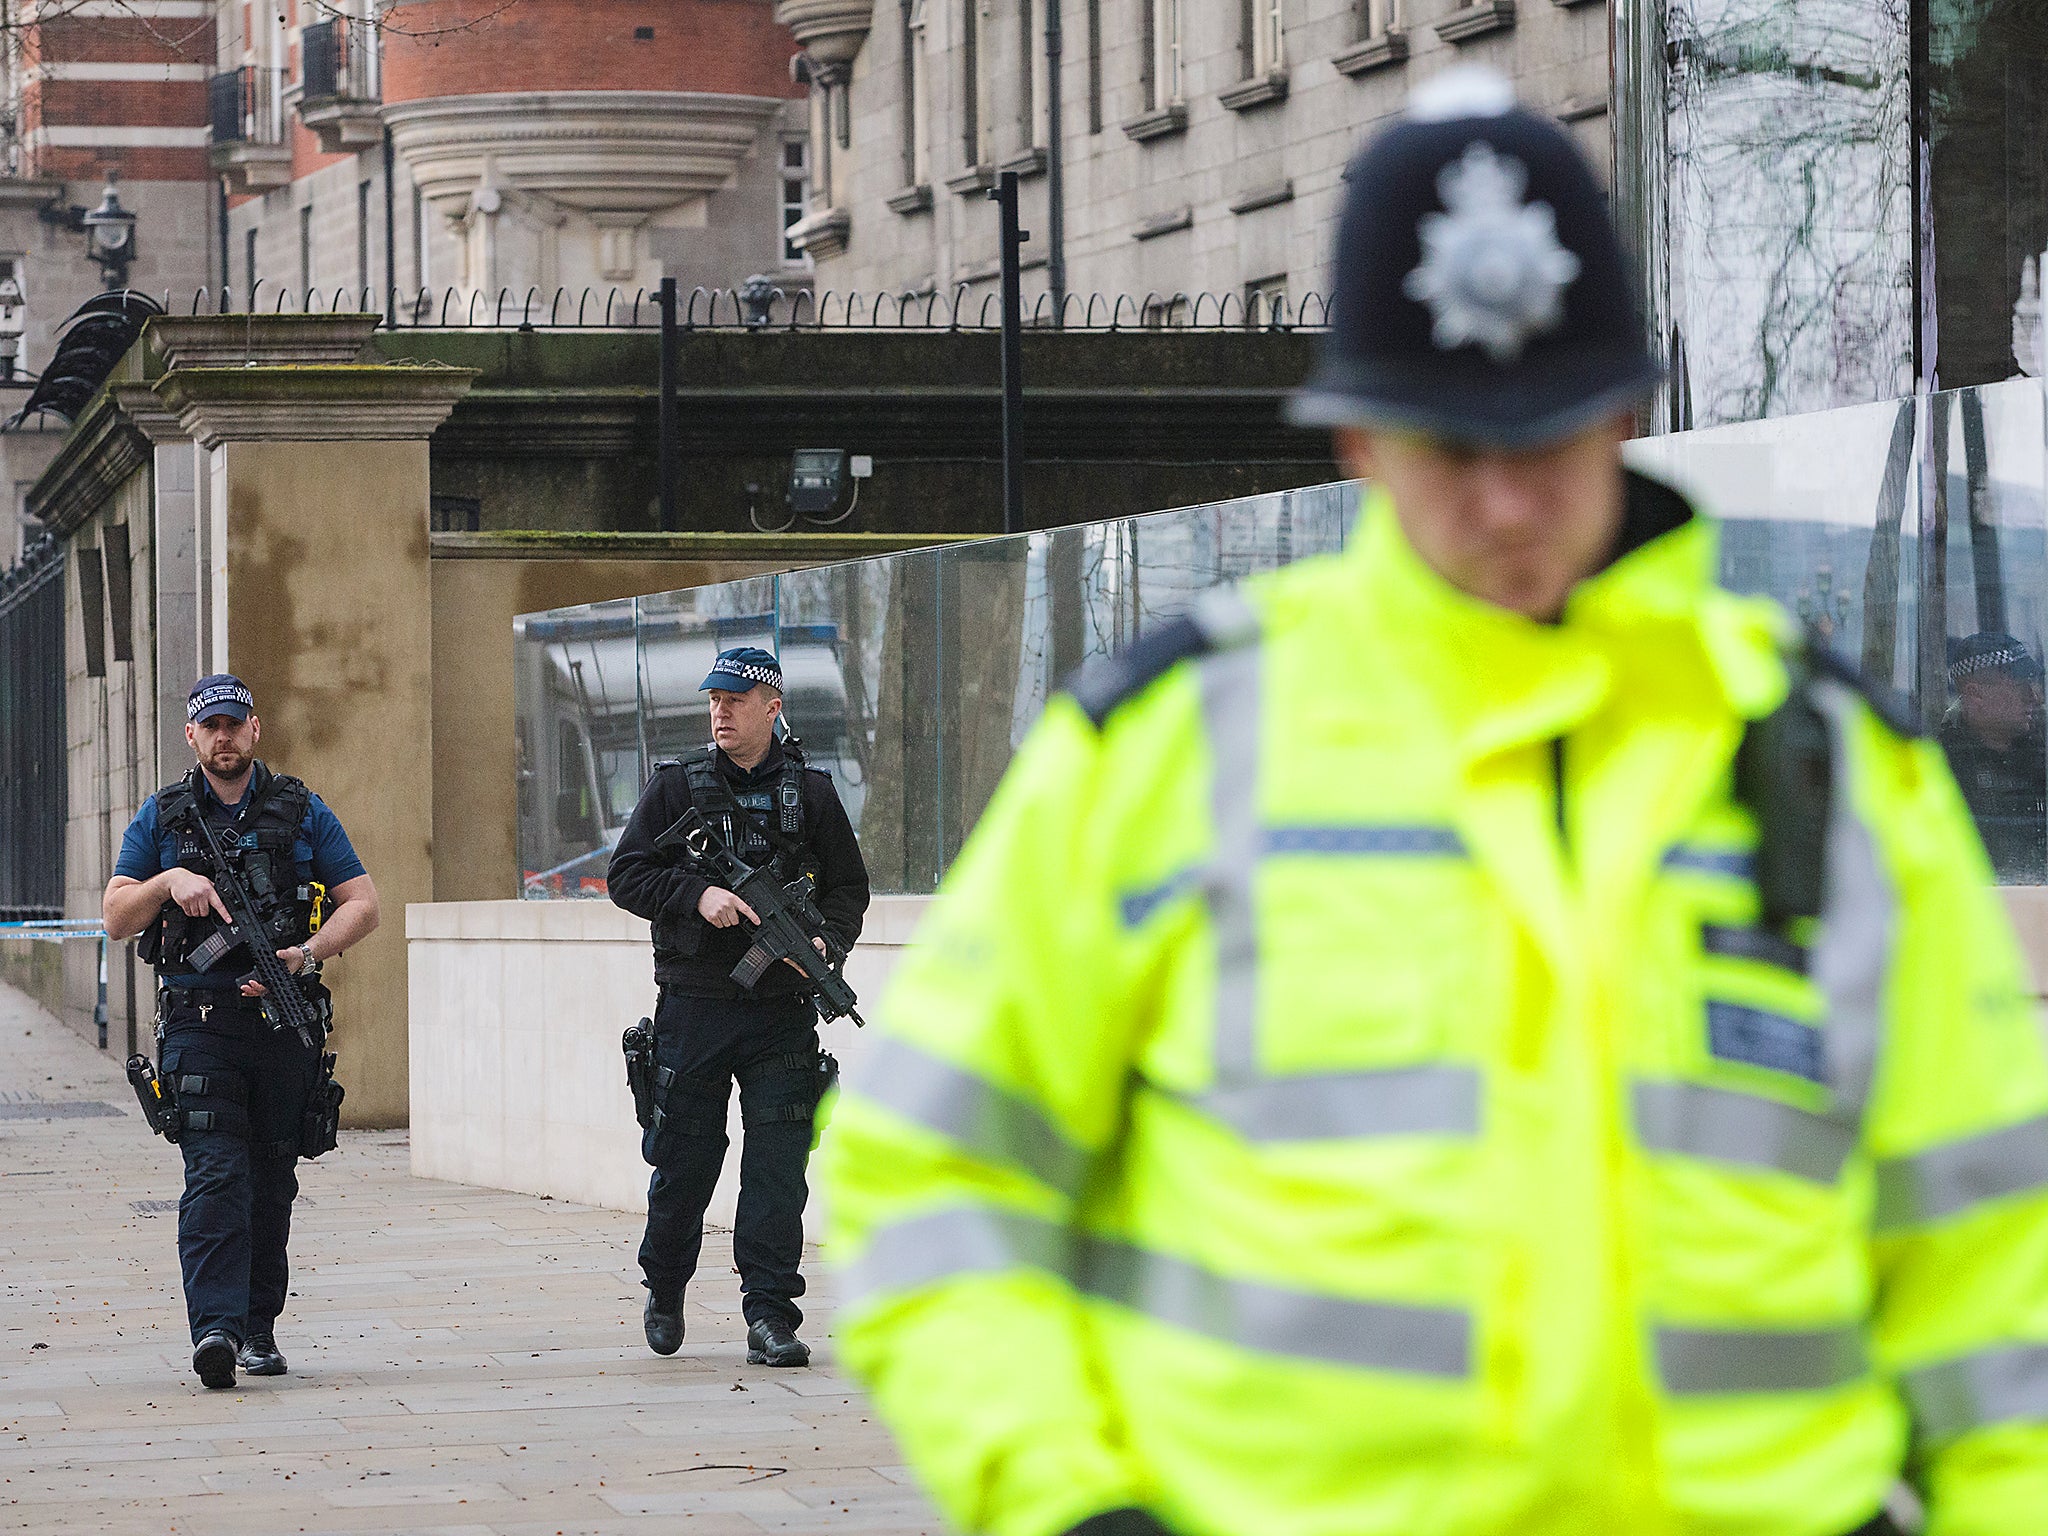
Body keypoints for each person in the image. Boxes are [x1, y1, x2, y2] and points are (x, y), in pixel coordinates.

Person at [820, 68, 2048, 1536]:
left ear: (1627, 415)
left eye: (1546, 439)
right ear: (1355, 442)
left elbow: (1993, 1267)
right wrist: (1071, 1505)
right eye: (1452, 448)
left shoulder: (1833, 764)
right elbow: (928, 1174)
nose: (1508, 504)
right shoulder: (1171, 747)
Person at [102, 674, 379, 1390]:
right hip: (200, 1026)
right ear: (192, 737)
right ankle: (215, 1330)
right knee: (216, 1176)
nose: (223, 738)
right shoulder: (162, 817)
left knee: (270, 1179)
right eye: (209, 727)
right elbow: (116, 915)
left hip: (282, 1023)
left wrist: (307, 954)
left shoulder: (301, 809)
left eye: (234, 725)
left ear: (255, 730)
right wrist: (169, 883)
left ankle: (259, 1328)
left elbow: (363, 904)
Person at [607, 646, 869, 1367]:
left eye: (735, 700)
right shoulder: (676, 788)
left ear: (773, 707)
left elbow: (849, 888)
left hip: (781, 1008)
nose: (720, 711)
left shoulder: (811, 794)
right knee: (686, 1160)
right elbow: (626, 874)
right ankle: (665, 1284)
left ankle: (770, 1315)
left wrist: (822, 937)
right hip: (694, 1006)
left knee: (779, 1167)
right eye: (714, 700)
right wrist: (698, 895)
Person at [1939, 632, 2047, 882]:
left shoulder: (2041, 747)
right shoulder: (1941, 768)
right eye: (2020, 686)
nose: (2035, 697)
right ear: (1976, 695)